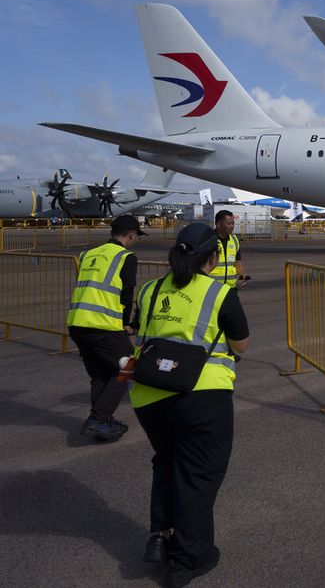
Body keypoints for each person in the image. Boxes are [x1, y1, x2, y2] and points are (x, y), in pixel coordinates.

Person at [131, 222, 249, 587]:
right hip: (200, 397)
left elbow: (139, 330)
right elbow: (241, 345)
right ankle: (188, 559)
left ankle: (160, 535)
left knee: (167, 462)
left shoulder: (150, 289)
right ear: (213, 257)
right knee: (197, 477)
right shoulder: (219, 293)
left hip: (149, 396)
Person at [66, 214, 146, 441]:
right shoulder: (125, 256)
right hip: (102, 325)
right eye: (136, 236)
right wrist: (125, 324)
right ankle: (99, 419)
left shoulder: (87, 254)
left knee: (101, 374)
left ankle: (102, 420)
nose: (135, 240)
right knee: (128, 368)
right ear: (131, 234)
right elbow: (126, 292)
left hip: (77, 322)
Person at [210, 209, 249, 288]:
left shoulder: (234, 240)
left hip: (230, 287)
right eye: (228, 224)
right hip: (212, 287)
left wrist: (243, 276)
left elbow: (238, 263)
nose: (232, 226)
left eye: (233, 223)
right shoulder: (208, 240)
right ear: (218, 224)